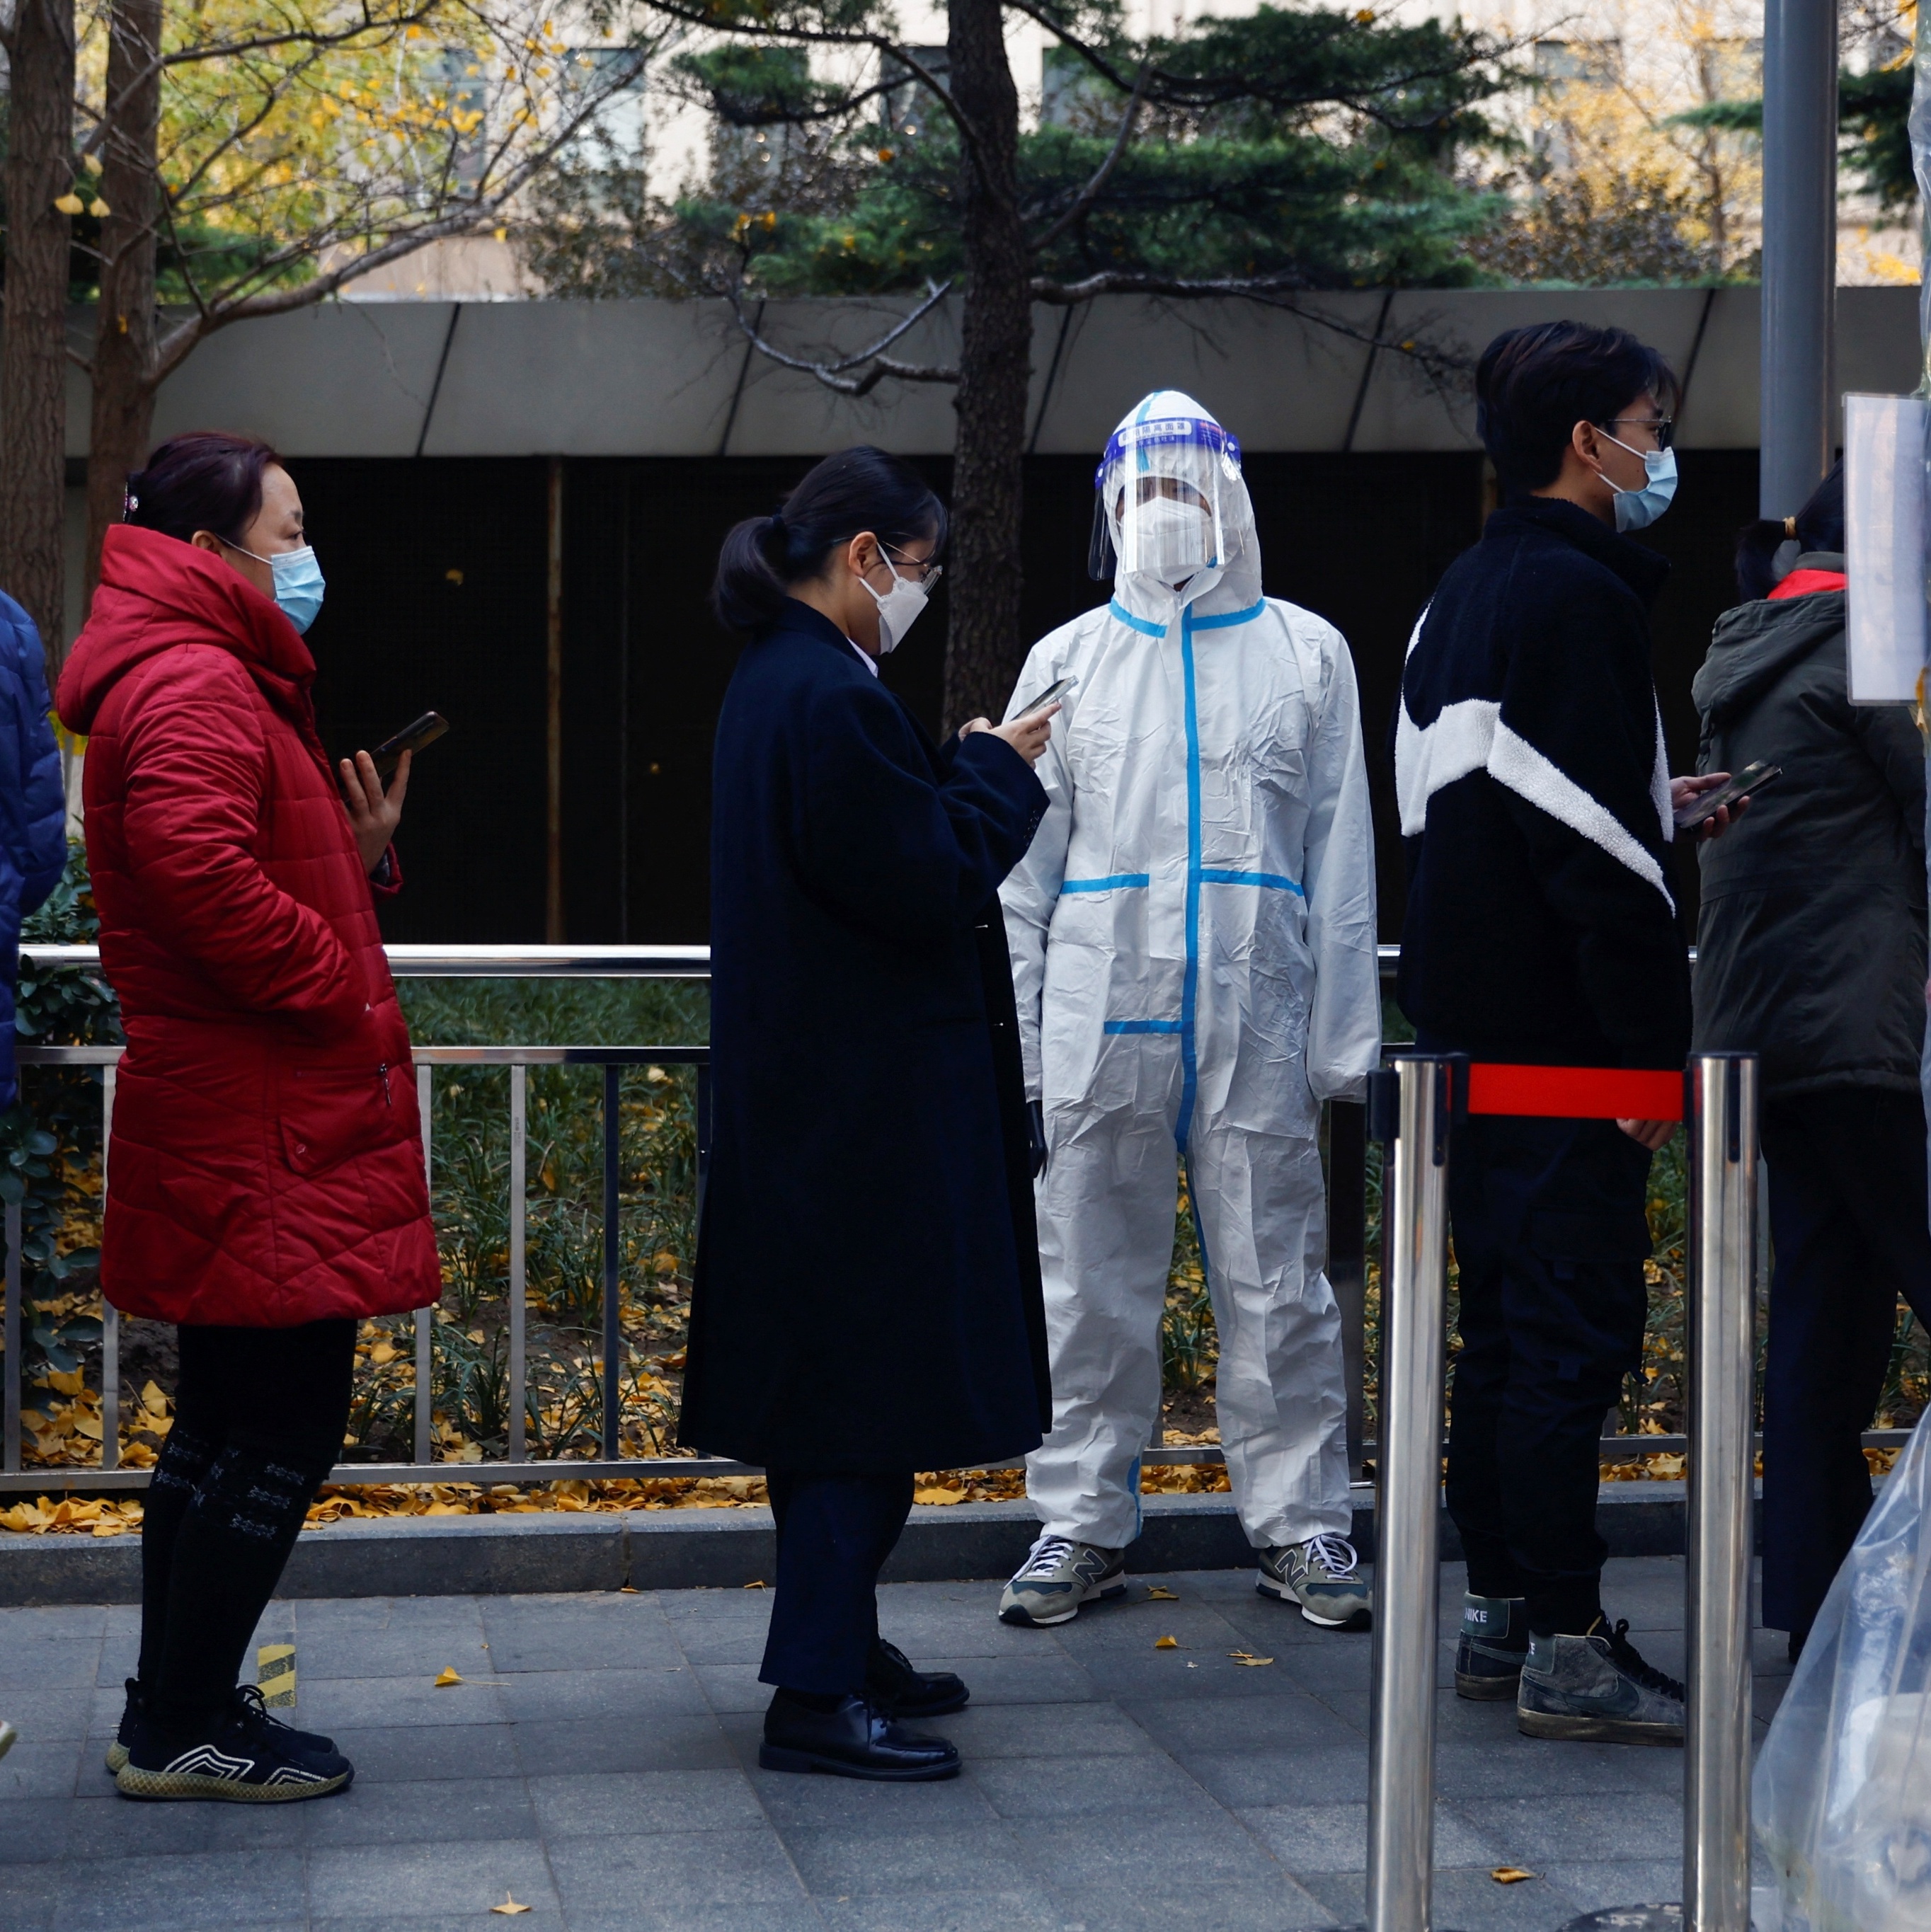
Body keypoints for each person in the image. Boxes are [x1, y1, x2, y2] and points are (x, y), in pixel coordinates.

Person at [57, 432, 440, 1802]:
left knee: (225, 1423)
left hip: (242, 1112)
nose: (304, 556)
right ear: (212, 552)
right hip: (261, 1118)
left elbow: (211, 861)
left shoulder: (199, 672)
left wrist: (359, 850)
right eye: (287, 532)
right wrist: (334, 975)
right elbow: (192, 868)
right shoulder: (199, 681)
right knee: (276, 1423)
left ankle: (178, 1701)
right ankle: (184, 1719)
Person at [677, 446, 1055, 1782]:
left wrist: (948, 770)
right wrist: (995, 773)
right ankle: (819, 1692)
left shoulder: (787, 680)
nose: (920, 594)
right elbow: (928, 877)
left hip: (824, 1108)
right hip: (860, 1119)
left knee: (846, 1405)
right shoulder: (825, 696)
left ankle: (846, 1642)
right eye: (918, 568)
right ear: (863, 556)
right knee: (856, 1413)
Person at [1395, 321, 1739, 1745]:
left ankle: (1499, 1613)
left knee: (1498, 1339)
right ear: (1585, 441)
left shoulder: (1454, 597)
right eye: (1648, 425)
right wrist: (1643, 1060)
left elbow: (1495, 821)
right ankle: (1563, 1635)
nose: (1659, 450)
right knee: (1564, 1343)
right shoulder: (1575, 600)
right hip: (1562, 1052)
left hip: (1475, 1047)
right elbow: (1589, 862)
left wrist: (1655, 809)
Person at [995, 391, 1382, 1632]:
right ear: (1112, 505)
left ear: (1230, 496)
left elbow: (1342, 856)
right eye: (1143, 487)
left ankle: (1302, 1519)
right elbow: (1022, 866)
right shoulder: (1066, 659)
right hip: (1102, 1008)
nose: (1165, 509)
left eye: (1185, 483)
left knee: (1279, 1276)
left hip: (1255, 1006)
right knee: (1088, 1273)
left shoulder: (1307, 652)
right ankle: (1080, 1516)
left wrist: (1346, 1044)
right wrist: (1021, 1048)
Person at [1693, 463, 1930, 1661]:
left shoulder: (1757, 645)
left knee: (1825, 1323)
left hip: (1764, 1036)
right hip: (1861, 1033)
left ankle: (1812, 1602)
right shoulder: (1871, 649)